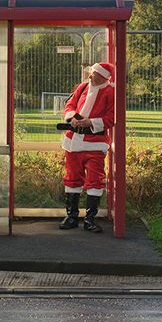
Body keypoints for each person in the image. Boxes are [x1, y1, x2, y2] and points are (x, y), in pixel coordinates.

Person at [58, 61, 115, 233]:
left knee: (95, 180)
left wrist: (90, 122)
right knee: (72, 177)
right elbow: (69, 105)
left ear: (103, 77)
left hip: (94, 144)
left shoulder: (110, 93)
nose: (90, 76)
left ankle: (90, 219)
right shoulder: (82, 87)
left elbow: (112, 118)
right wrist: (72, 117)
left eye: (94, 74)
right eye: (91, 73)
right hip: (73, 141)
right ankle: (72, 216)